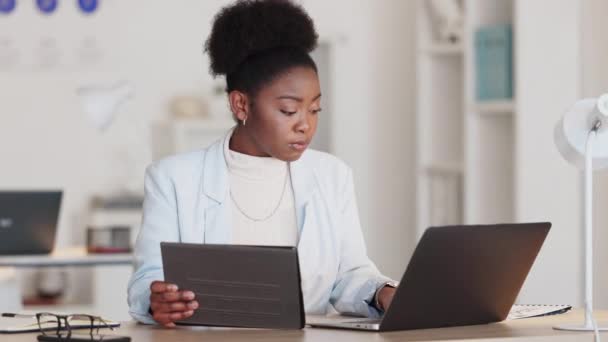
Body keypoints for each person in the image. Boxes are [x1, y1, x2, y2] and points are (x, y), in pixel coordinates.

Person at [127, 0, 396, 327]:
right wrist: (157, 301)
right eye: (288, 110)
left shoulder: (332, 175)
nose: (305, 125)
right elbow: (148, 278)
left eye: (314, 110)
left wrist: (383, 291)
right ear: (241, 104)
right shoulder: (172, 178)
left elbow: (350, 274)